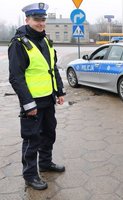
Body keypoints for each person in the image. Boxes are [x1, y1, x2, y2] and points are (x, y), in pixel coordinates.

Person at [8, 2, 66, 190]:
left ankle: (45, 163)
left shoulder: (45, 41)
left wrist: (59, 91)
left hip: (48, 98)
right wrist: (28, 104)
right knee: (32, 138)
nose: (40, 23)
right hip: (32, 102)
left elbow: (52, 69)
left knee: (49, 133)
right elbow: (16, 78)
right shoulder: (19, 44)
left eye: (43, 19)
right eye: (36, 19)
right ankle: (30, 175)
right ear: (27, 20)